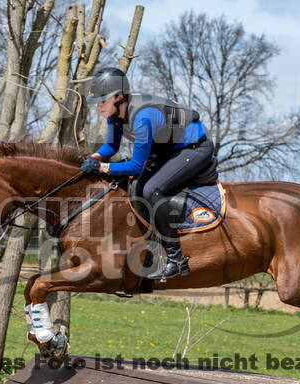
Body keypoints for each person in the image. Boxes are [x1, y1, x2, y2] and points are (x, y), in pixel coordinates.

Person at [81, 67, 214, 281]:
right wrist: (94, 157)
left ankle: (177, 259)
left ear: (119, 97)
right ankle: (149, 248)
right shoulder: (115, 114)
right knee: (134, 187)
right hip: (169, 149)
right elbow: (111, 147)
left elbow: (136, 166)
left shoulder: (142, 118)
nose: (99, 106)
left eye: (102, 100)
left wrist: (103, 168)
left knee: (152, 189)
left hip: (194, 148)